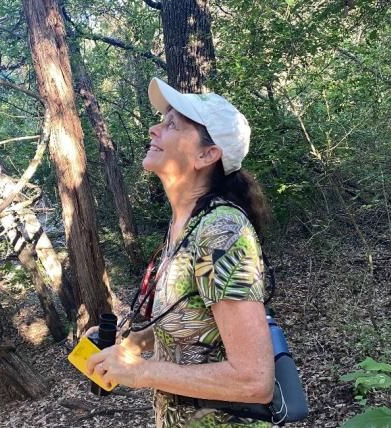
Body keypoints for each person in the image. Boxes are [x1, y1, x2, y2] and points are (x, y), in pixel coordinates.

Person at [86, 78, 275, 427]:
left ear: (207, 155)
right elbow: (191, 322)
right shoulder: (186, 226)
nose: (154, 129)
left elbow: (254, 380)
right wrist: (130, 347)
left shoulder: (221, 233)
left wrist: (141, 372)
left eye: (172, 124)